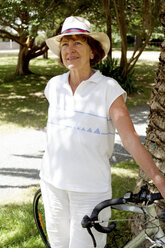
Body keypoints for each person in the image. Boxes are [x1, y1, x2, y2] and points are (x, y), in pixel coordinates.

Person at [40, 16, 165, 248]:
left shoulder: (109, 88)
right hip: (52, 185)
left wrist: (159, 180)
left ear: (92, 51)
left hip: (90, 190)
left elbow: (129, 139)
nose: (70, 50)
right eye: (65, 44)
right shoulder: (54, 86)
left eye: (78, 43)